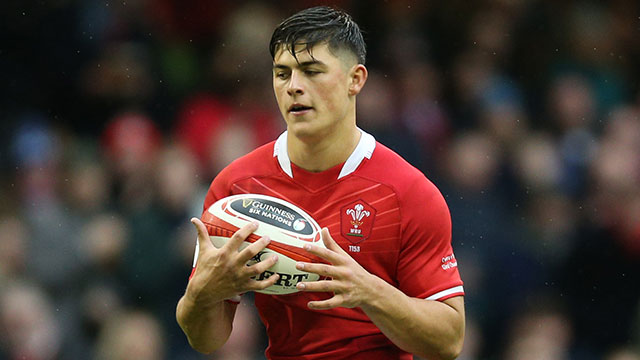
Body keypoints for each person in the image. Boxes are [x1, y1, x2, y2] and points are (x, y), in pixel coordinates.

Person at [176, 6, 465, 360]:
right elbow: (207, 340)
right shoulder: (237, 188)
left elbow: (449, 341)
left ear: (355, 80)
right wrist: (204, 293)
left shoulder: (408, 192)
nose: (294, 87)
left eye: (312, 71)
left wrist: (367, 290)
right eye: (282, 74)